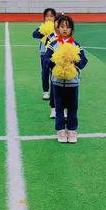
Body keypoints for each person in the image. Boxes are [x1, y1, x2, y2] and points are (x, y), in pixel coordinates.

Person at [43, 15, 88, 144]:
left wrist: (74, 60)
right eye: (62, 26)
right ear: (57, 28)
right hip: (57, 82)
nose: (64, 29)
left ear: (72, 29)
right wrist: (55, 61)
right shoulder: (53, 44)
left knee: (73, 107)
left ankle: (72, 130)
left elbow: (84, 62)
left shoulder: (76, 45)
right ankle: (61, 130)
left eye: (67, 27)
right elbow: (46, 61)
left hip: (73, 83)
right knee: (59, 107)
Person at [32, 8, 57, 99]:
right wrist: (43, 32)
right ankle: (45, 91)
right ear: (44, 18)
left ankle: (54, 91)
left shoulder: (58, 27)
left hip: (55, 53)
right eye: (47, 16)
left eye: (51, 16)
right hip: (44, 53)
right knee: (45, 72)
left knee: (54, 73)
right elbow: (34, 34)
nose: (49, 18)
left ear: (55, 17)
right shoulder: (42, 26)